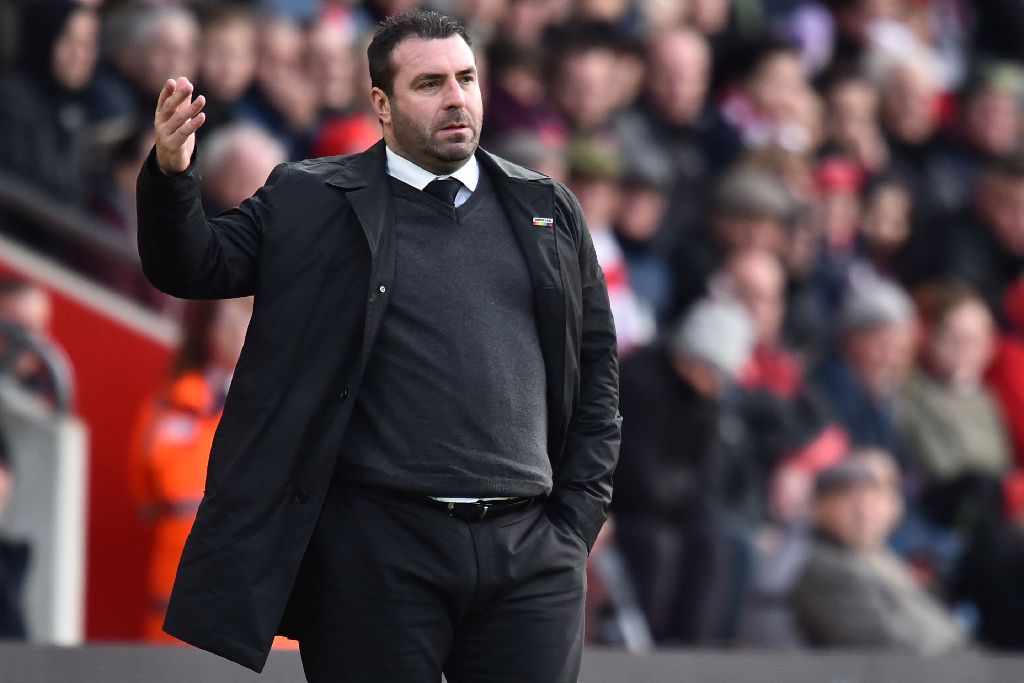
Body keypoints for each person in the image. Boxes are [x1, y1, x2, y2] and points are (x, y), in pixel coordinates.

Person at [136, 9, 620, 681]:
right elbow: (193, 265)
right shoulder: (310, 198)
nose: (456, 98)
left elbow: (598, 371)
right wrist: (170, 174)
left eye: (467, 78)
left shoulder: (548, 208)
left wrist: (572, 527)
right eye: (430, 84)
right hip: (377, 552)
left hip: (531, 551)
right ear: (382, 104)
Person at [129, 297, 253, 643]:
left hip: (256, 609)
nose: (233, 332)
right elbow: (145, 493)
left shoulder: (288, 404)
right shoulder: (171, 401)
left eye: (244, 319)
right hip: (176, 602)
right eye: (225, 320)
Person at [790, 454, 969, 654]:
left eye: (872, 501)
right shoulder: (825, 569)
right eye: (849, 501)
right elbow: (887, 649)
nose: (863, 513)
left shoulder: (881, 556)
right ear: (819, 508)